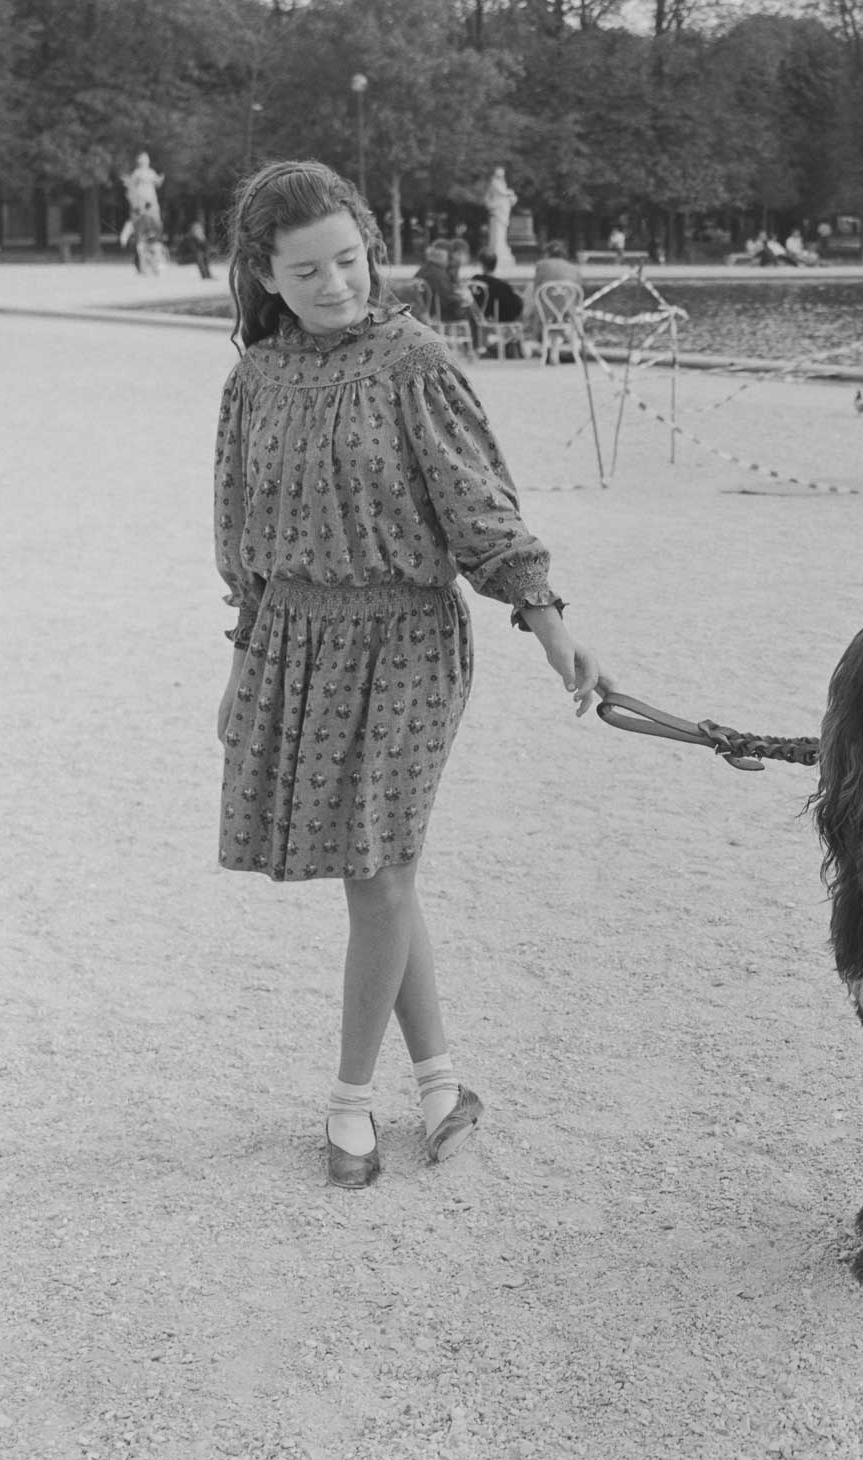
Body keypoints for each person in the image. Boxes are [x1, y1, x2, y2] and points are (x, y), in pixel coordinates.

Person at [215, 159, 613, 1189]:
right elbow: (243, 534)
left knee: (379, 868)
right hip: (296, 642)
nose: (337, 283)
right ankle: (440, 1081)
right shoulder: (252, 378)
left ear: (368, 248)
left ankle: (350, 1099)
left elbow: (478, 506)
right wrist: (243, 660)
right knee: (374, 873)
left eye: (348, 260)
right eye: (308, 271)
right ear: (263, 273)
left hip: (405, 643)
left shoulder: (415, 362)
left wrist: (546, 617)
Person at [471, 250, 527, 348]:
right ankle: (514, 342)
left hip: (478, 315)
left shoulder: (475, 281)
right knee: (519, 303)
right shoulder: (501, 285)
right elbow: (515, 305)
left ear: (482, 264)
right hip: (497, 317)